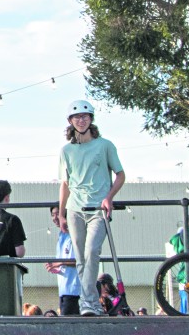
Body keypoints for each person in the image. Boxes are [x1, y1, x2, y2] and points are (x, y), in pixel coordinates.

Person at [58, 99, 125, 317]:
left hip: (98, 209)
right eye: (77, 117)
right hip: (75, 209)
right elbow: (65, 183)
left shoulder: (105, 145)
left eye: (85, 116)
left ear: (91, 119)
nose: (81, 120)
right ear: (70, 121)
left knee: (92, 252)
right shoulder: (66, 151)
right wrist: (61, 213)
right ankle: (90, 303)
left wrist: (109, 197)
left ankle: (88, 302)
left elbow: (120, 175)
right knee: (80, 259)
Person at [45, 204, 80, 315]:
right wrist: (58, 268)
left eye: (57, 214)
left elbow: (79, 260)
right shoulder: (61, 235)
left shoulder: (75, 233)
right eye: (53, 215)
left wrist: (59, 263)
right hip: (64, 289)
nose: (55, 217)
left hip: (74, 290)